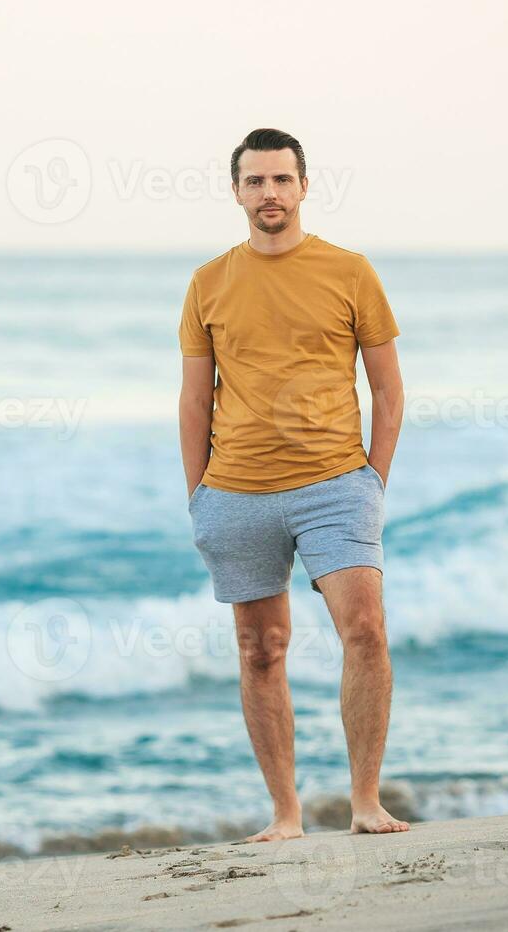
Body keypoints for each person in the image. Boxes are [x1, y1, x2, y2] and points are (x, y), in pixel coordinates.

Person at [177, 128, 408, 841]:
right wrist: (200, 497)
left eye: (281, 179)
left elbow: (388, 391)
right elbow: (194, 400)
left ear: (304, 186)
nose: (269, 193)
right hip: (236, 492)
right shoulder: (208, 282)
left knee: (364, 630)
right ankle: (286, 814)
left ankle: (365, 802)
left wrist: (372, 482)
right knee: (261, 649)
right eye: (255, 181)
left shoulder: (350, 271)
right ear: (237, 191)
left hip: (336, 483)